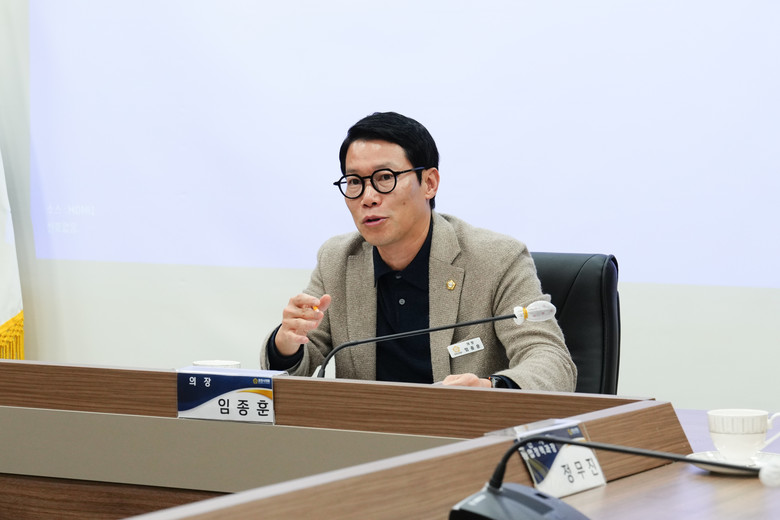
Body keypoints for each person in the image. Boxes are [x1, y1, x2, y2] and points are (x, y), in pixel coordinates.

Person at [260, 112, 576, 391]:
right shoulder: (337, 259)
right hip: (368, 432)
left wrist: (492, 388)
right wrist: (286, 343)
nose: (368, 197)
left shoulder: (497, 259)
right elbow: (302, 361)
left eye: (385, 178)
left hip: (462, 432)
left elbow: (551, 362)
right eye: (354, 181)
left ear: (429, 183)